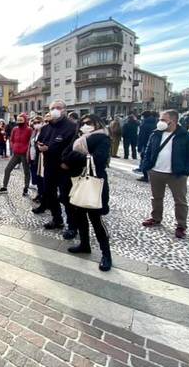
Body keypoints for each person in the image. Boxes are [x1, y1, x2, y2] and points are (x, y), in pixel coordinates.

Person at [63, 114, 112, 272]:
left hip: (94, 182)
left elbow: (99, 159)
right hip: (77, 181)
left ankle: (106, 254)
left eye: (89, 122)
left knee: (95, 219)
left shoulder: (103, 138)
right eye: (83, 123)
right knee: (79, 215)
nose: (85, 125)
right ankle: (84, 244)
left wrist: (75, 158)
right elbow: (65, 155)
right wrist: (84, 157)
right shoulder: (78, 137)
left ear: (97, 123)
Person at [140, 110, 189, 239]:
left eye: (163, 120)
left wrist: (186, 171)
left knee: (180, 201)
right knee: (156, 197)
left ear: (173, 121)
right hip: (156, 171)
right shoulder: (155, 134)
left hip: (176, 174)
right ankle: (156, 218)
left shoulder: (186, 136)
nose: (160, 122)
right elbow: (148, 150)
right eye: (160, 119)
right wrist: (147, 166)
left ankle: (181, 225)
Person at [34, 100, 78, 239]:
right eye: (52, 108)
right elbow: (39, 141)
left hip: (65, 167)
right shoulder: (46, 128)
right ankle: (57, 219)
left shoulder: (72, 127)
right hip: (49, 166)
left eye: (58, 108)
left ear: (64, 110)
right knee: (50, 193)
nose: (55, 110)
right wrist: (39, 147)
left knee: (66, 197)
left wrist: (64, 159)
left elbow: (74, 147)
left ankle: (72, 226)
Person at [0, 113, 32, 196]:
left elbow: (31, 142)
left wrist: (27, 150)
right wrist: (13, 146)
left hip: (24, 154)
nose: (19, 122)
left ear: (25, 120)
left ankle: (26, 188)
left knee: (26, 172)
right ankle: (4, 187)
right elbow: (12, 139)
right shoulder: (15, 129)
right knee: (7, 169)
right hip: (16, 154)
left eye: (21, 120)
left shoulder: (29, 130)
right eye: (18, 120)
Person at [135, 111, 158, 182]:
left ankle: (145, 176)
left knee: (144, 159)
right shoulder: (156, 123)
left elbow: (141, 136)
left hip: (145, 144)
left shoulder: (144, 124)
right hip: (155, 143)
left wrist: (139, 146)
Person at [29, 116, 44, 202]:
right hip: (32, 156)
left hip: (40, 158)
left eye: (38, 122)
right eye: (34, 123)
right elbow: (30, 145)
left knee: (41, 177)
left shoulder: (44, 132)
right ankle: (39, 193)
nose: (36, 124)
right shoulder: (34, 132)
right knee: (36, 177)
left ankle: (42, 195)